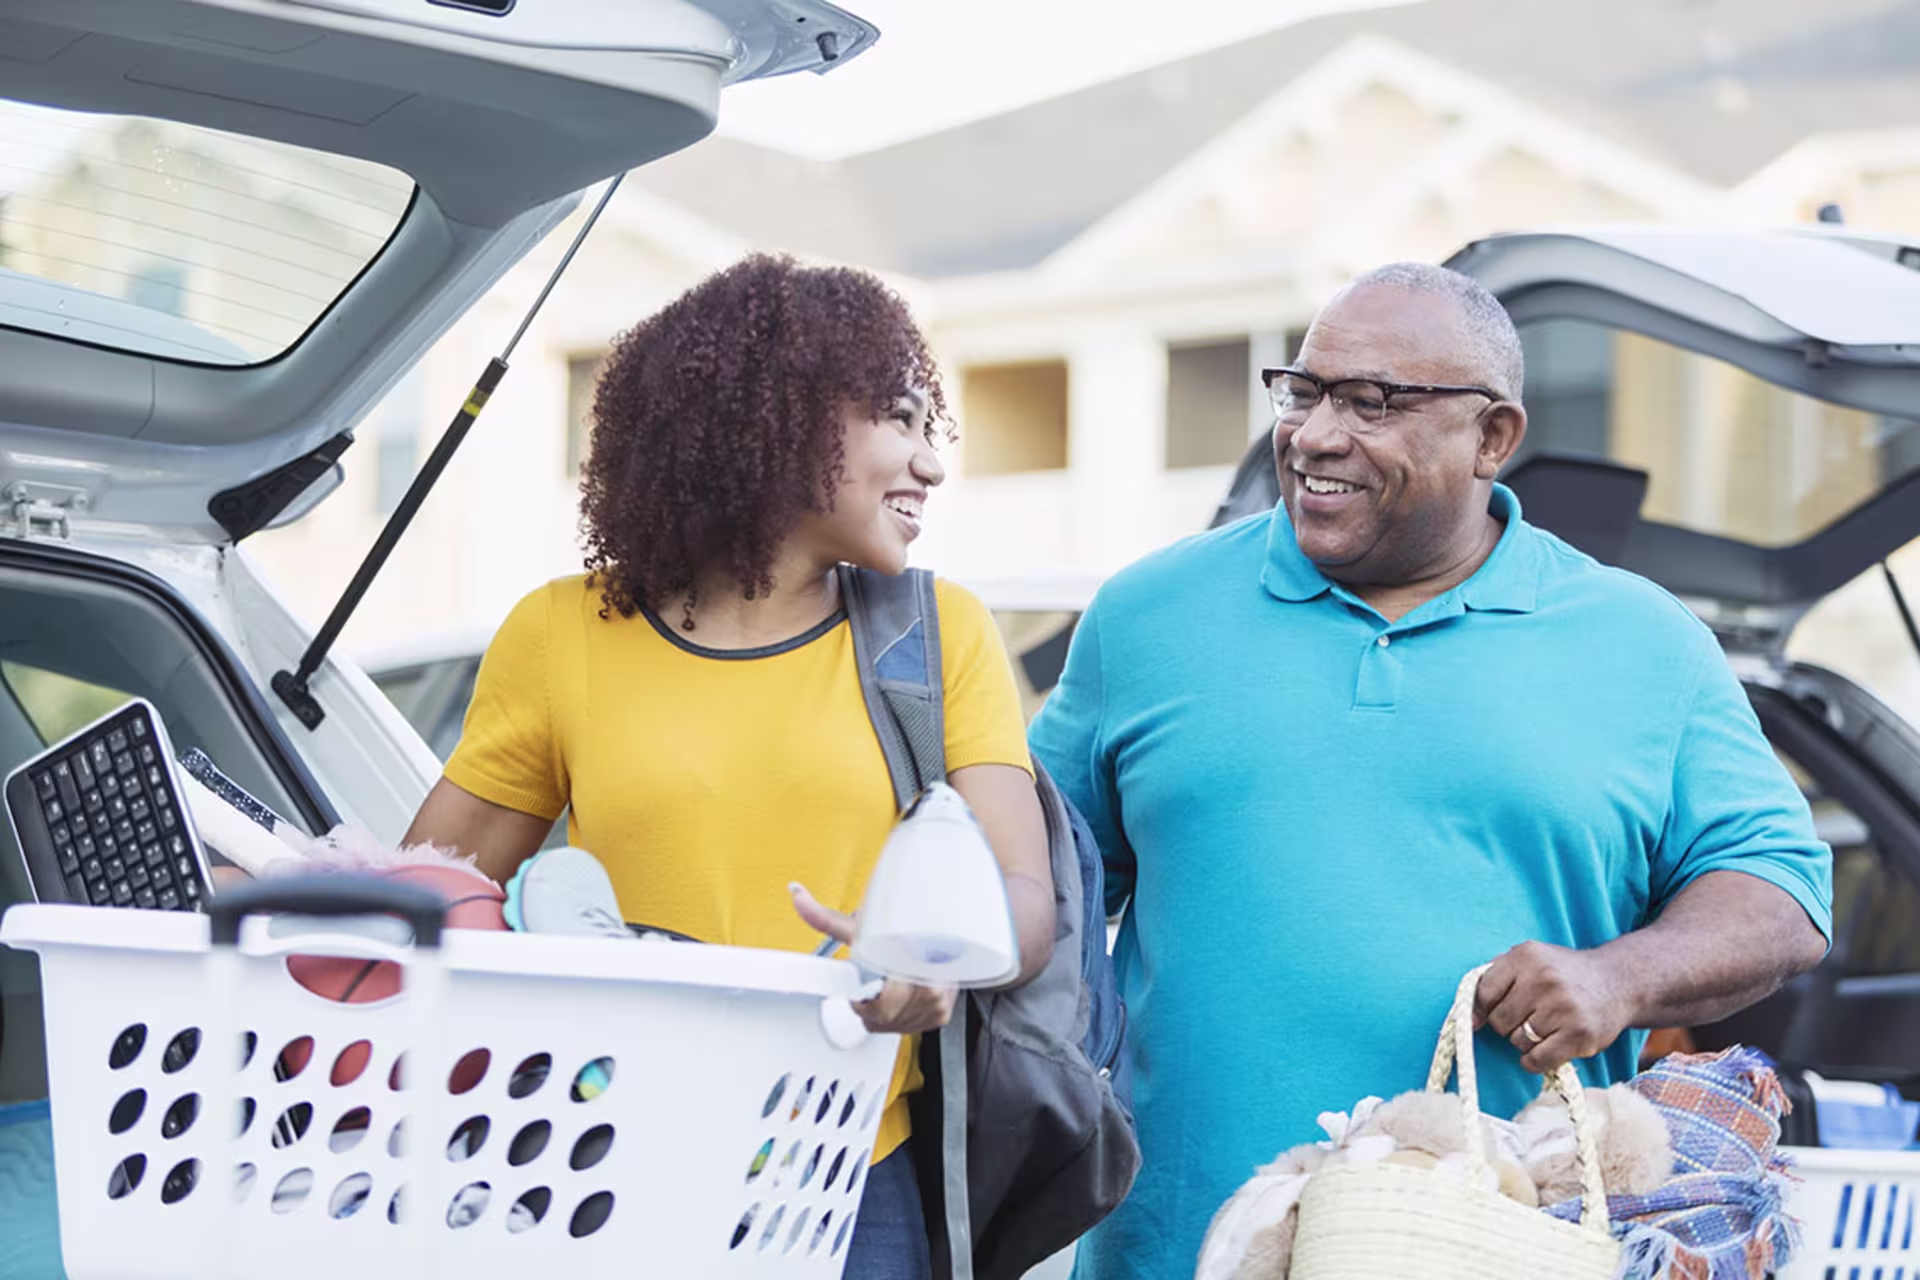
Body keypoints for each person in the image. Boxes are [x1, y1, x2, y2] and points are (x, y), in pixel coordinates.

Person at [1027, 262, 1833, 1280]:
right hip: (1185, 1249)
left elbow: (1783, 892)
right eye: (1305, 391)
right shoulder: (1148, 616)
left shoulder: (1642, 641)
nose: (1317, 434)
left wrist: (1616, 976)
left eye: (1375, 402)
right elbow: (1031, 875)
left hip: (1499, 1245)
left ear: (1493, 436)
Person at [404, 254, 1054, 1280]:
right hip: (602, 1165)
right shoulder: (562, 633)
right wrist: (285, 885)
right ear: (777, 419)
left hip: (849, 1174)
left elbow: (1026, 895)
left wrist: (937, 958)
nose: (932, 463)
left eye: (934, 430)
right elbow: (431, 890)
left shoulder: (940, 636)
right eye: (900, 416)